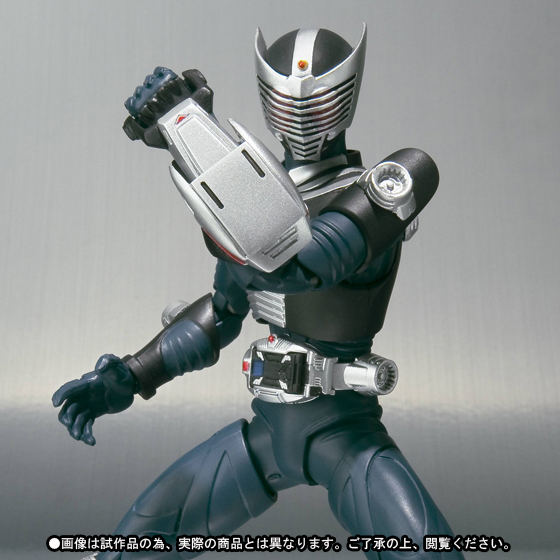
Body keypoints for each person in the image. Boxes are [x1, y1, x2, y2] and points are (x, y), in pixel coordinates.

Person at [53, 25, 465, 560]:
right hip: (270, 431)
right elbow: (223, 311)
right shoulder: (253, 206)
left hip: (345, 432)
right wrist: (132, 374)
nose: (301, 111)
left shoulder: (388, 182)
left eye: (320, 96)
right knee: (133, 543)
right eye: (284, 98)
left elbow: (301, 266)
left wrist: (190, 131)